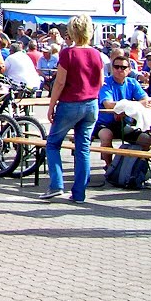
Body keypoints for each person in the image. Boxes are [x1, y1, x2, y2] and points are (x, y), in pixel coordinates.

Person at [42, 14, 104, 202]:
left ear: (71, 32)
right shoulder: (96, 54)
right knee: (83, 148)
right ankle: (79, 193)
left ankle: (56, 184)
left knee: (53, 143)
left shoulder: (67, 53)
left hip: (70, 102)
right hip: (91, 103)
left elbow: (59, 83)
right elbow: (100, 81)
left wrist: (51, 105)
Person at [94, 52, 151, 166]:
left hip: (125, 124)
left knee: (147, 140)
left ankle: (134, 167)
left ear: (129, 69)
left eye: (123, 67)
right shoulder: (106, 83)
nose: (119, 70)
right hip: (105, 123)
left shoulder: (132, 82)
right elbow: (108, 104)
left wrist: (125, 109)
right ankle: (110, 167)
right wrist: (132, 105)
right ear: (112, 68)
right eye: (116, 67)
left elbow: (146, 100)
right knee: (106, 137)